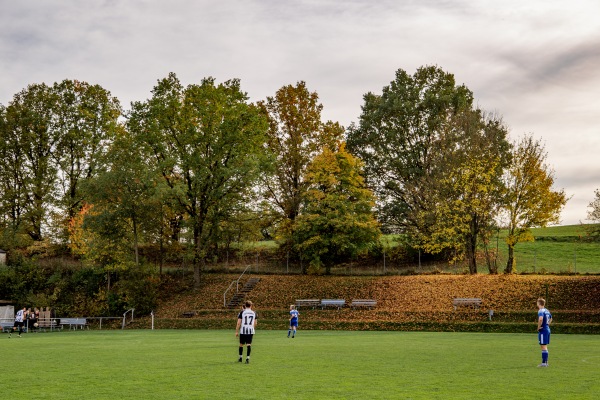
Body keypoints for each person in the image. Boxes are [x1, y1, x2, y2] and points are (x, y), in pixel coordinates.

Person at [536, 298, 552, 367]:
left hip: (543, 330)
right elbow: (551, 318)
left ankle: (544, 363)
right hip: (547, 329)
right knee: (545, 346)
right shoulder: (547, 310)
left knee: (543, 346)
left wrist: (538, 327)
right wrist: (547, 324)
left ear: (539, 303)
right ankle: (546, 362)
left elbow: (540, 319)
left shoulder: (540, 311)